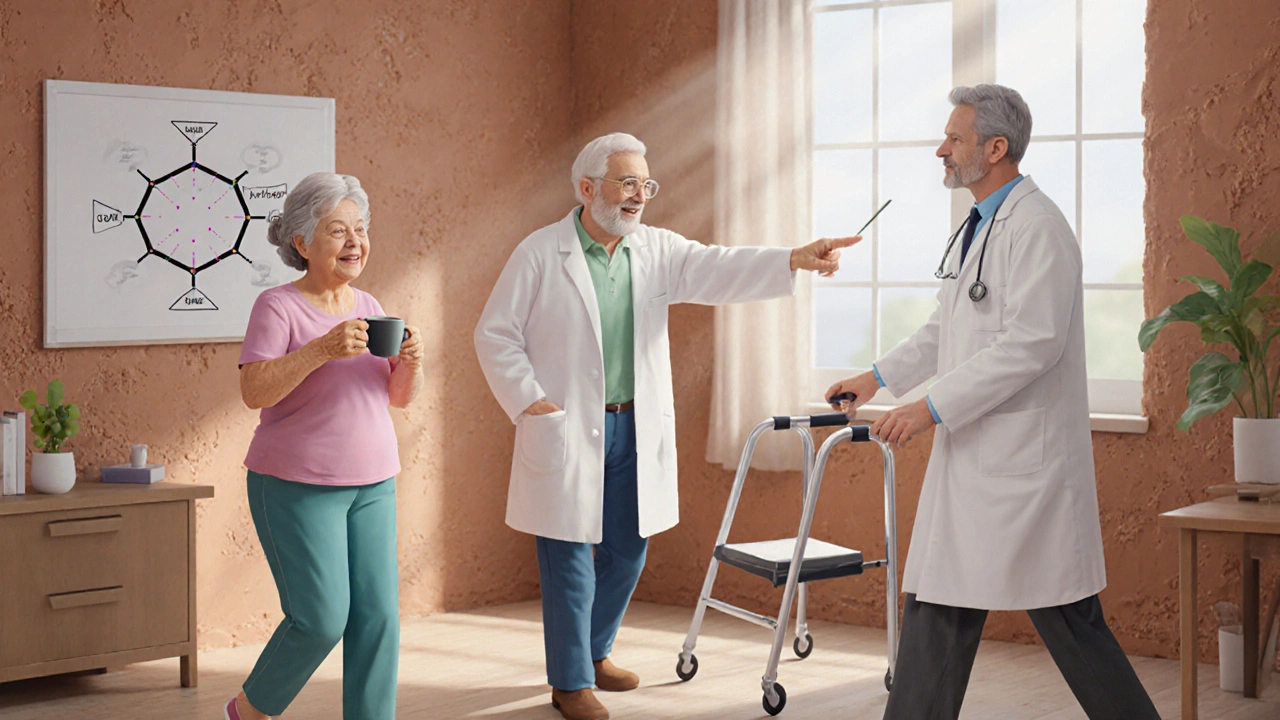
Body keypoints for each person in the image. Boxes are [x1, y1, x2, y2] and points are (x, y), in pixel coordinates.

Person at [475, 132, 858, 720]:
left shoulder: (653, 249)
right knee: (570, 555)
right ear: (587, 188)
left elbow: (718, 265)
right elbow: (494, 334)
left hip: (634, 427)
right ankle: (570, 681)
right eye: (627, 183)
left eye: (645, 185)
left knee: (628, 549)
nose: (639, 196)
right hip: (567, 427)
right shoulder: (538, 253)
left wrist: (793, 258)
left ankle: (594, 651)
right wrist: (532, 403)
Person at [826, 85, 1159, 720]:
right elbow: (947, 330)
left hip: (1023, 471)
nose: (940, 151)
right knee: (939, 604)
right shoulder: (979, 224)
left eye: (953, 139)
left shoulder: (1039, 228)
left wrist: (928, 409)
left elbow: (1031, 345)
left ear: (995, 148)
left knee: (1067, 619)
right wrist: (876, 377)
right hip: (979, 461)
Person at [225, 172, 424, 720]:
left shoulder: (369, 302)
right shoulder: (277, 307)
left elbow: (396, 398)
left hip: (374, 481)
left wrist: (410, 364)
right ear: (303, 243)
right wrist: (319, 350)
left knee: (378, 618)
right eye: (339, 231)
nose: (355, 242)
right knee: (320, 619)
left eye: (360, 229)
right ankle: (249, 709)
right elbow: (252, 390)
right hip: (295, 485)